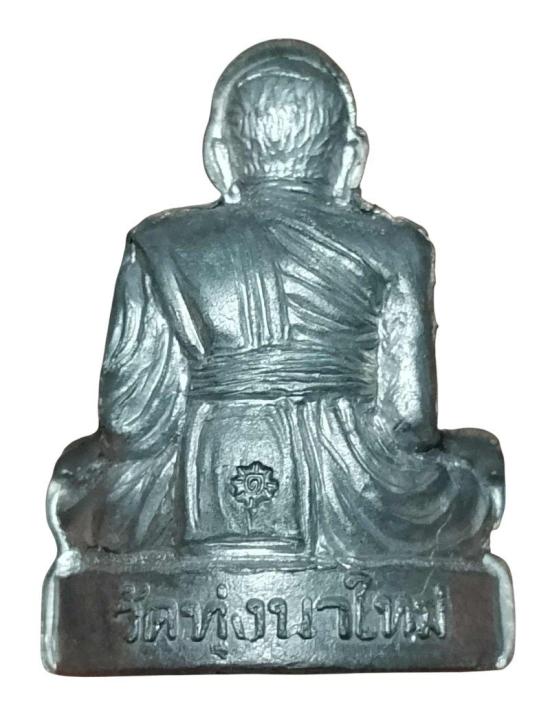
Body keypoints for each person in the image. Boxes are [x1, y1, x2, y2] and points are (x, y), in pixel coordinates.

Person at [48, 40, 504, 563]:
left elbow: (128, 424)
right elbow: (409, 423)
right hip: (357, 495)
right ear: (351, 158)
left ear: (218, 156)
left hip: (190, 481)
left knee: (78, 476)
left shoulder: (160, 245)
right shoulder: (398, 248)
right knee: (479, 461)